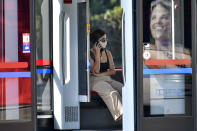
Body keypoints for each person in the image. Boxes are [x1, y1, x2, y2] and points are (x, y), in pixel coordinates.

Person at [90, 29, 123, 121]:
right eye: (103, 40)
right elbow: (95, 71)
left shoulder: (108, 53)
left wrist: (101, 74)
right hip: (94, 81)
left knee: (122, 89)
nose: (105, 42)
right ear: (96, 42)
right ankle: (122, 115)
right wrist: (97, 54)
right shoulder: (89, 54)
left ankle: (131, 113)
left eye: (105, 39)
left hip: (107, 79)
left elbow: (113, 71)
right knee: (113, 93)